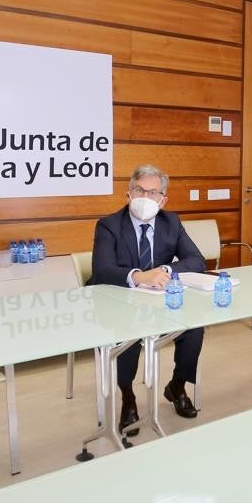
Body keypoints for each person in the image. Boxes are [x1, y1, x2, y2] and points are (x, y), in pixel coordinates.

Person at [89, 165, 204, 434]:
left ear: (163, 200)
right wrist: (139, 276)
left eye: (153, 192)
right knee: (127, 335)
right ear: (128, 193)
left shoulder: (171, 222)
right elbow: (102, 269)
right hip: (117, 301)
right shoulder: (109, 225)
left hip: (157, 301)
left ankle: (177, 386)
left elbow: (196, 260)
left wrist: (165, 270)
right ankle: (128, 396)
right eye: (139, 189)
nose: (145, 196)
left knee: (194, 328)